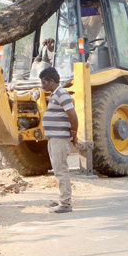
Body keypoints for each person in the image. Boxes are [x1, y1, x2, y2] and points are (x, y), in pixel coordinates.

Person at [40, 66, 78, 213]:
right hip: (54, 138)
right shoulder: (56, 94)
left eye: (44, 82)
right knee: (58, 169)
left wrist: (73, 133)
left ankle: (66, 203)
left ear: (52, 81)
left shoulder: (62, 94)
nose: (42, 86)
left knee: (61, 170)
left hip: (59, 139)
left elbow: (73, 115)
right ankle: (63, 198)